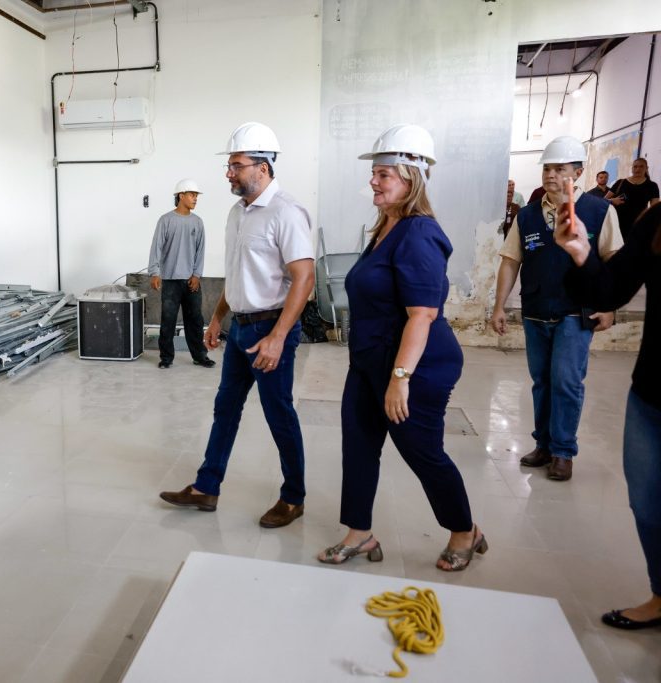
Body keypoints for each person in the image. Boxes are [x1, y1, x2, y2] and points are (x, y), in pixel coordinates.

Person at [317, 124, 485, 572]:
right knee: (358, 444)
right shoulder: (385, 228)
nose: (373, 181)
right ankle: (359, 533)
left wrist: (400, 378)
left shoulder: (419, 234)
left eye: (384, 174)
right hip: (369, 361)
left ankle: (465, 530)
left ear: (412, 178)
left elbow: (422, 315)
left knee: (420, 450)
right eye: (374, 173)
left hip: (416, 366)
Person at [159, 122, 315, 529]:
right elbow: (237, 274)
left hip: (270, 330)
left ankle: (293, 498)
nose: (228, 173)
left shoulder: (287, 212)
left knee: (278, 413)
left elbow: (305, 278)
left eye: (236, 165)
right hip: (240, 328)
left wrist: (278, 337)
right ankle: (206, 487)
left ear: (263, 167)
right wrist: (216, 318)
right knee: (225, 408)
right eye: (228, 166)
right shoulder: (236, 213)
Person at [554, 202, 661, 630]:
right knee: (648, 504)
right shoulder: (656, 222)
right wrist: (582, 252)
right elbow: (610, 291)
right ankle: (660, 596)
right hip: (652, 393)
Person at [491, 136, 623, 482]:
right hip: (536, 308)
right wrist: (499, 306)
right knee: (542, 381)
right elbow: (510, 261)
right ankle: (544, 445)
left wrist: (609, 306)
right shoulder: (528, 215)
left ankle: (563, 451)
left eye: (559, 168)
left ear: (577, 172)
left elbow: (614, 262)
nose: (550, 174)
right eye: (547, 168)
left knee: (566, 380)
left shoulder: (599, 211)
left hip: (576, 311)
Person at [148, 179, 214, 369]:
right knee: (167, 321)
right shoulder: (166, 220)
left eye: (196, 195)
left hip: (191, 281)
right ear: (181, 196)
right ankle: (166, 358)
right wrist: (154, 272)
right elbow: (156, 247)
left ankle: (200, 356)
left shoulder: (197, 222)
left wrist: (197, 275)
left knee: (195, 321)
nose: (195, 198)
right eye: (192, 194)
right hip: (170, 280)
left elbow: (200, 251)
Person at [606, 157, 660, 240]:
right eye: (635, 166)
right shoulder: (621, 182)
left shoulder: (652, 186)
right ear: (632, 168)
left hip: (638, 226)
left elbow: (655, 209)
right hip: (616, 224)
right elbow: (602, 201)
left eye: (641, 166)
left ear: (646, 168)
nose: (638, 169)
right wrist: (612, 200)